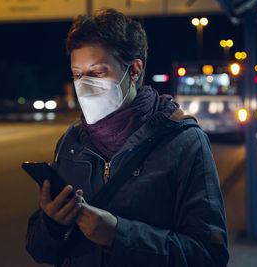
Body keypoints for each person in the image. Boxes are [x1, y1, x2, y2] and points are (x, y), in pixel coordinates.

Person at [26, 8, 229, 267]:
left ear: (133, 71)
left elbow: (210, 256)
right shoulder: (72, 142)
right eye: (78, 74)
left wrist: (118, 235)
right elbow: (38, 250)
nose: (84, 85)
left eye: (98, 72)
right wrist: (52, 225)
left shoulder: (184, 141)